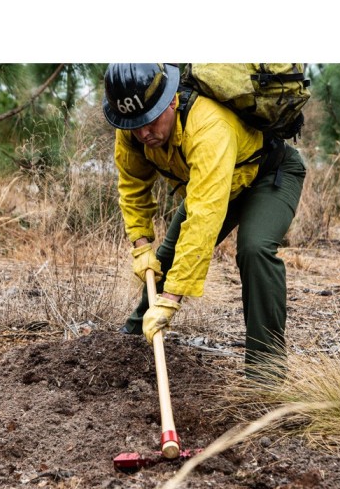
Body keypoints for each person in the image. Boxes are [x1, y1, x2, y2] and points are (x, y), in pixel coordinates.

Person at [102, 63, 306, 380]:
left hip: (267, 175)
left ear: (170, 101)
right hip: (213, 186)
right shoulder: (132, 128)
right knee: (165, 259)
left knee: (255, 250)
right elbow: (132, 185)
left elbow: (202, 220)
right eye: (134, 124)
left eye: (151, 120)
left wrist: (171, 300)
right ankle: (129, 345)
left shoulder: (207, 126)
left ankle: (266, 375)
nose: (143, 132)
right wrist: (141, 246)